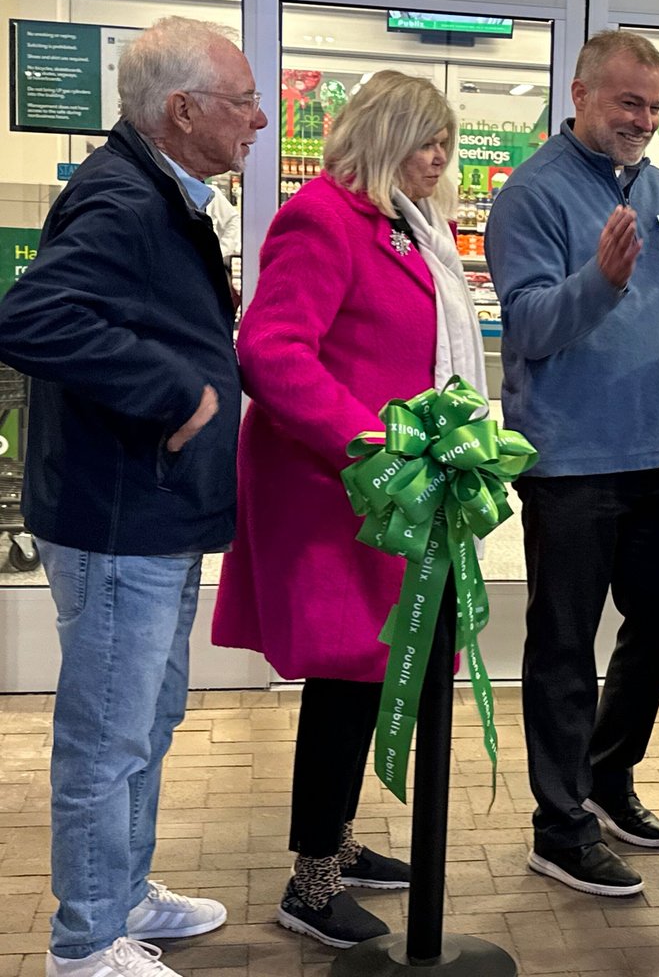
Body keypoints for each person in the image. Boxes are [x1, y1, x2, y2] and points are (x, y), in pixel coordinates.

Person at [0, 16, 265, 977]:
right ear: (181, 110)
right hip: (117, 518)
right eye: (242, 103)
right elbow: (30, 318)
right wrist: (173, 390)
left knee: (148, 718)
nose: (263, 119)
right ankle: (83, 943)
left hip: (154, 512)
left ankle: (125, 894)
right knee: (107, 736)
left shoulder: (164, 191)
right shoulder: (120, 197)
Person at [212, 71, 483, 946]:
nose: (438, 159)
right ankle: (311, 882)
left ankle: (336, 840)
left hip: (389, 490)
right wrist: (372, 443)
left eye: (444, 144)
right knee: (348, 676)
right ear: (378, 134)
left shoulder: (411, 226)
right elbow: (273, 352)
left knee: (374, 675)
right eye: (423, 140)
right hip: (338, 488)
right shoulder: (323, 216)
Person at [485, 29, 659, 897]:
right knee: (563, 646)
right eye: (628, 101)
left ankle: (605, 774)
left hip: (658, 456)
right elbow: (525, 327)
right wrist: (598, 281)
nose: (642, 119)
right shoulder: (531, 194)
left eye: (653, 106)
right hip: (568, 463)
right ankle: (557, 828)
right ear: (581, 93)